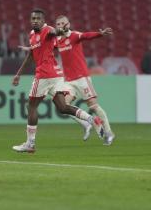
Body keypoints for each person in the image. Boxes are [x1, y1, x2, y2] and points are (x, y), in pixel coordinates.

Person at [12, 9, 104, 153]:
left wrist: (61, 30)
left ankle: (30, 143)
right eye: (33, 18)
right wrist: (18, 74)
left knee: (31, 107)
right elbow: (31, 55)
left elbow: (56, 32)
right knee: (62, 107)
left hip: (44, 75)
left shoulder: (48, 30)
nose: (35, 20)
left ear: (43, 21)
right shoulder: (32, 35)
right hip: (56, 75)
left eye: (38, 18)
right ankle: (91, 120)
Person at [54, 15, 115, 145]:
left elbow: (87, 35)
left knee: (93, 106)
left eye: (63, 23)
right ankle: (88, 122)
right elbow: (45, 46)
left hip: (82, 78)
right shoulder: (57, 40)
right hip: (68, 81)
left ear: (68, 24)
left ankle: (109, 133)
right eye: (58, 24)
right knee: (63, 107)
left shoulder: (75, 36)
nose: (60, 26)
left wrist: (100, 34)